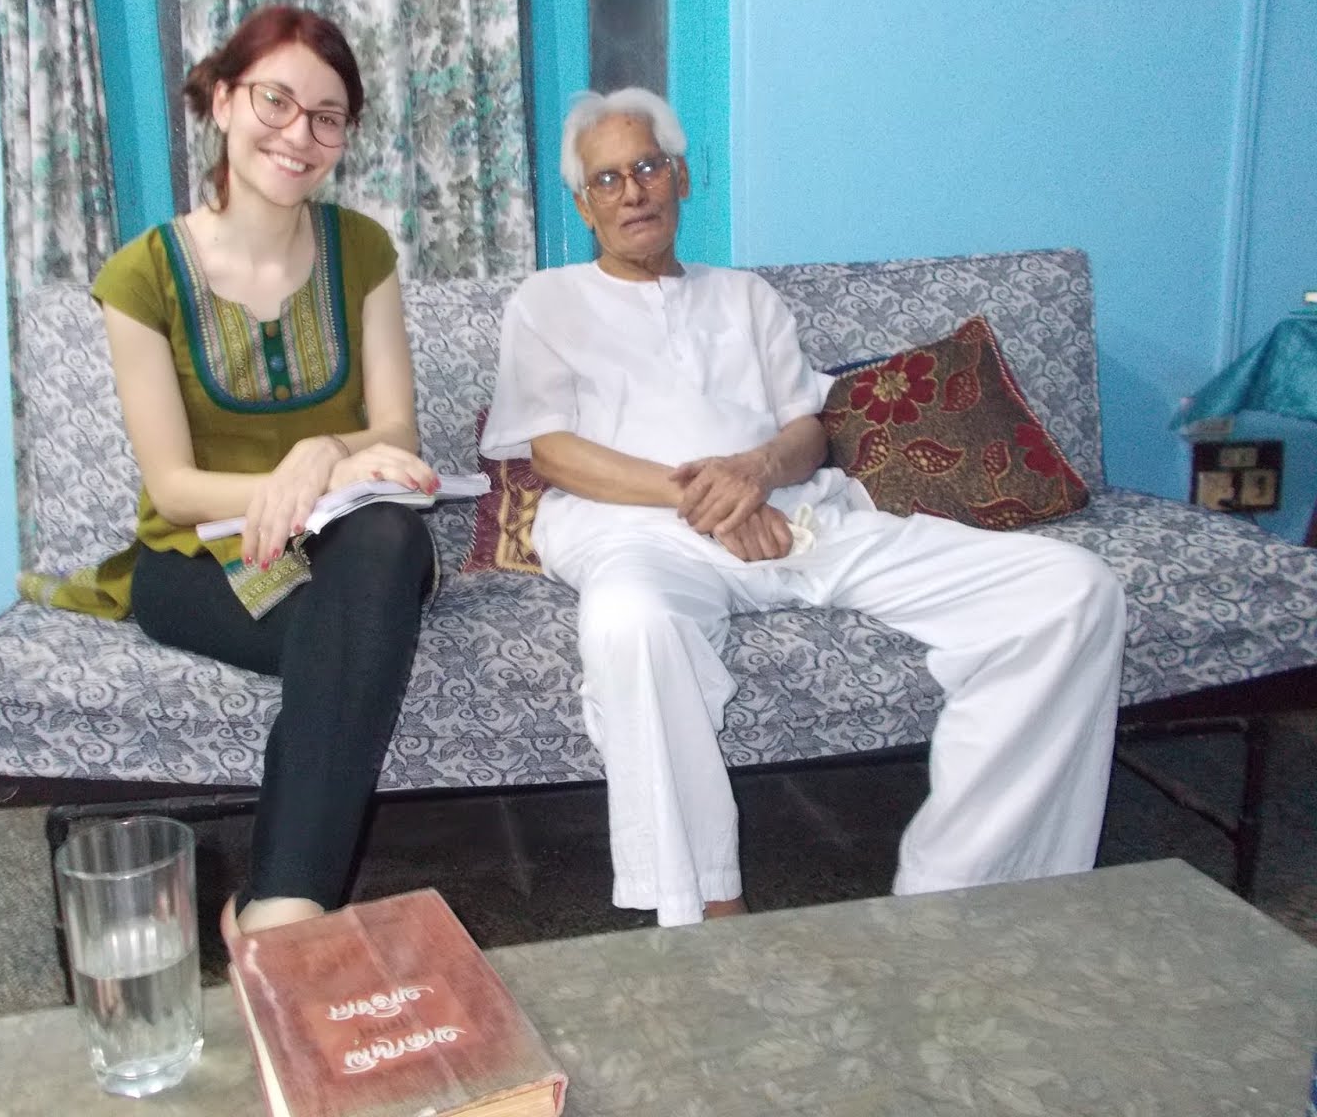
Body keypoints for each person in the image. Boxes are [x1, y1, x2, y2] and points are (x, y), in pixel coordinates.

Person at [480, 87, 1127, 928]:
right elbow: (552, 452)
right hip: (638, 532)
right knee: (629, 623)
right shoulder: (547, 302)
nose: (632, 192)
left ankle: (963, 894)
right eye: (607, 180)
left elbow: (808, 433)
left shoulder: (747, 297)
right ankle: (708, 910)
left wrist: (752, 472)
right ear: (583, 205)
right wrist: (703, 493)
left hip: (797, 518)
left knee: (1071, 592)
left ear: (680, 179)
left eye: (646, 168)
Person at [48, 5, 439, 940]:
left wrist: (324, 455)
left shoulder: (362, 251)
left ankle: (279, 910)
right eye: (276, 99)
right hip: (201, 562)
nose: (298, 134)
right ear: (221, 100)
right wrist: (284, 494)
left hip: (351, 550)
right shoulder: (140, 276)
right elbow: (175, 486)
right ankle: (285, 908)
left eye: (328, 116)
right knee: (352, 631)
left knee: (385, 544)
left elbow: (398, 437)